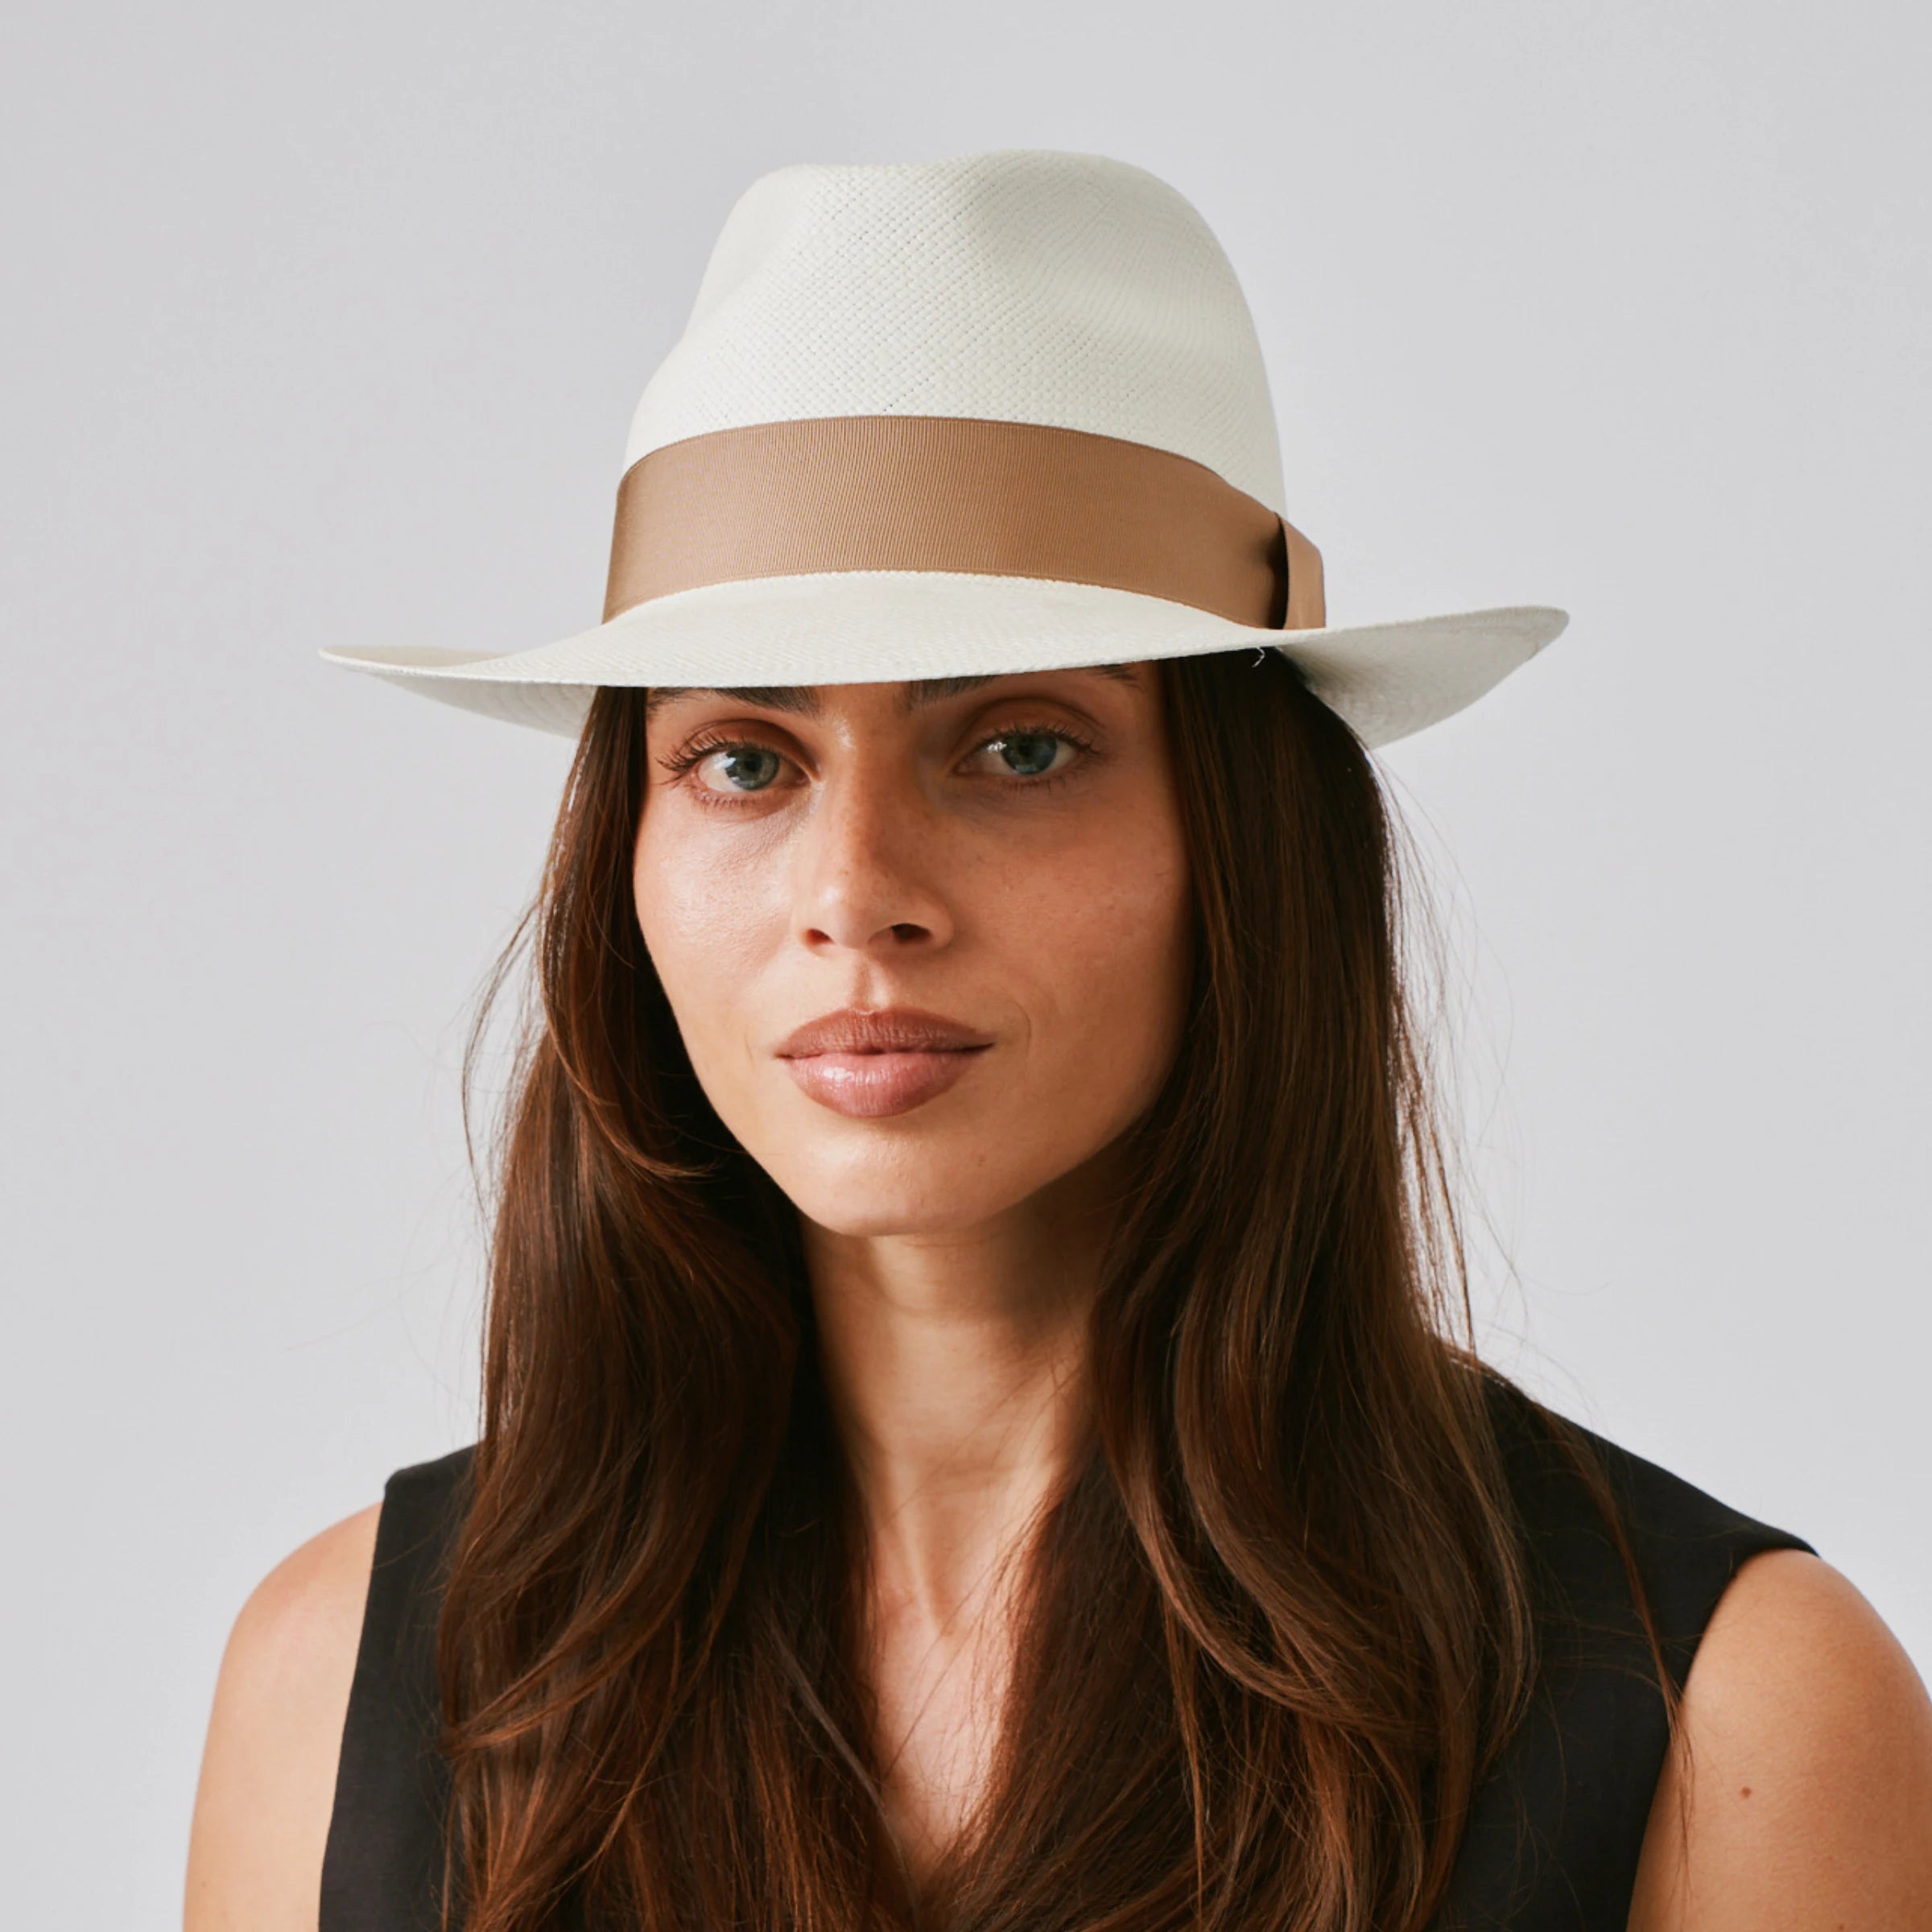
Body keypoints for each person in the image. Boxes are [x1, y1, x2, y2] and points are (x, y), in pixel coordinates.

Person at [184, 151, 1932, 1932]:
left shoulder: (1724, 1715)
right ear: (620, 855)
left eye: (1018, 746)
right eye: (743, 760)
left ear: (1246, 840)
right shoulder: (339, 1687)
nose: (858, 894)